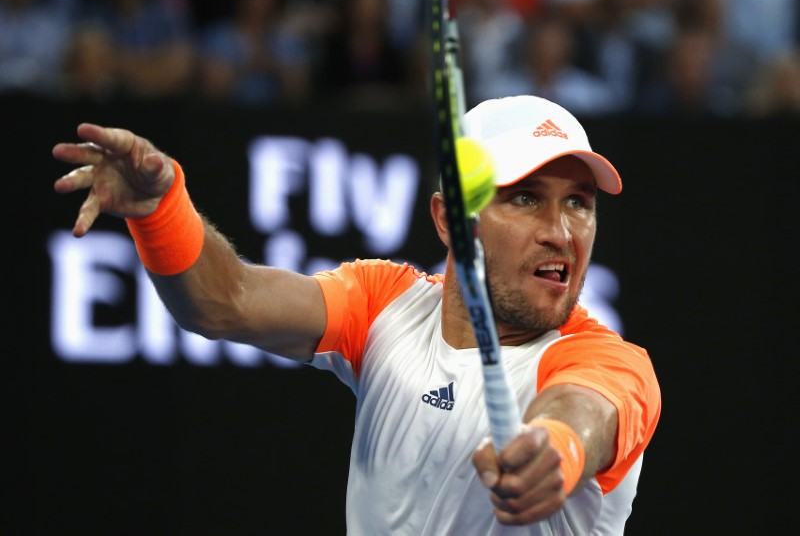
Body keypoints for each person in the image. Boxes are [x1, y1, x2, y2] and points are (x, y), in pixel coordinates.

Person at [52, 94, 661, 534]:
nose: (560, 232)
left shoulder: (609, 362)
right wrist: (160, 212)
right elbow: (225, 300)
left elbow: (582, 413)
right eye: (525, 199)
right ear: (449, 219)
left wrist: (551, 450)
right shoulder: (384, 302)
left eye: (578, 204)